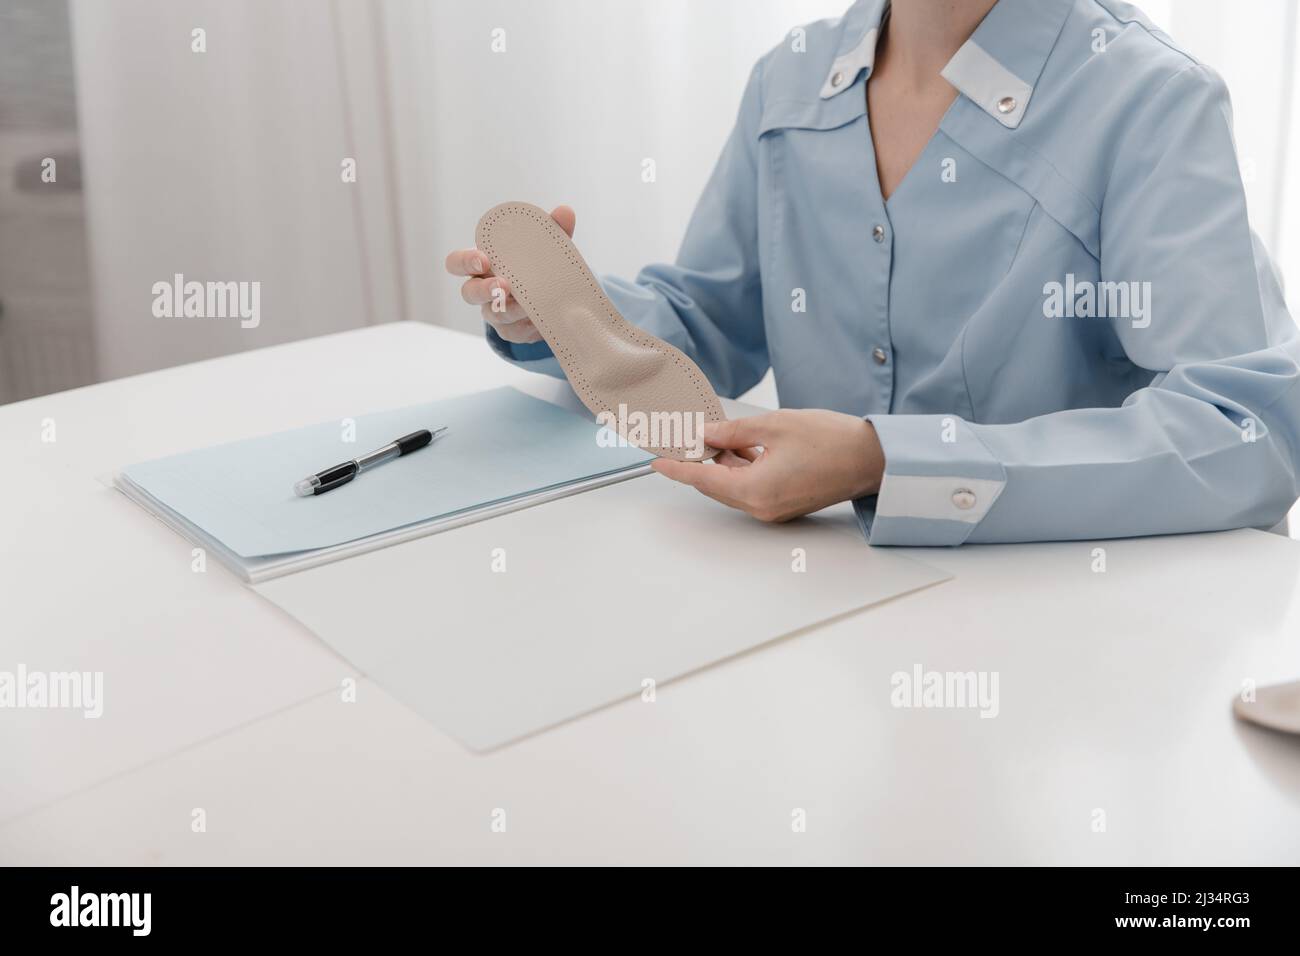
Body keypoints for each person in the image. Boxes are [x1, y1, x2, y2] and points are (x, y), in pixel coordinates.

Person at [445, 0, 1300, 546]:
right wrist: (559, 316)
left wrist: (886, 462)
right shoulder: (790, 79)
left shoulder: (1149, 99)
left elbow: (1244, 434)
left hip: (1069, 639)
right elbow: (711, 322)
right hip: (814, 621)